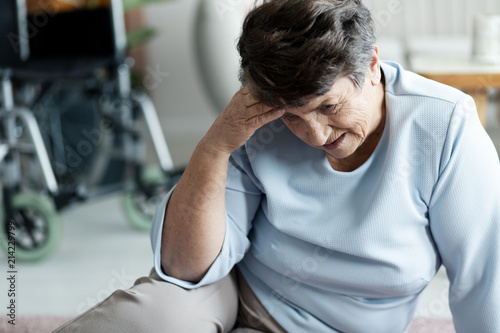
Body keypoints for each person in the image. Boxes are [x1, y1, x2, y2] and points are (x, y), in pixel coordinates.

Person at [55, 0, 500, 332]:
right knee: (150, 315)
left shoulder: (444, 127)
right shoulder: (257, 120)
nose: (315, 135)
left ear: (372, 62)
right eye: (291, 114)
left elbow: (484, 280)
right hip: (233, 289)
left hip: (344, 326)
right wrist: (215, 146)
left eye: (329, 105)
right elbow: (183, 269)